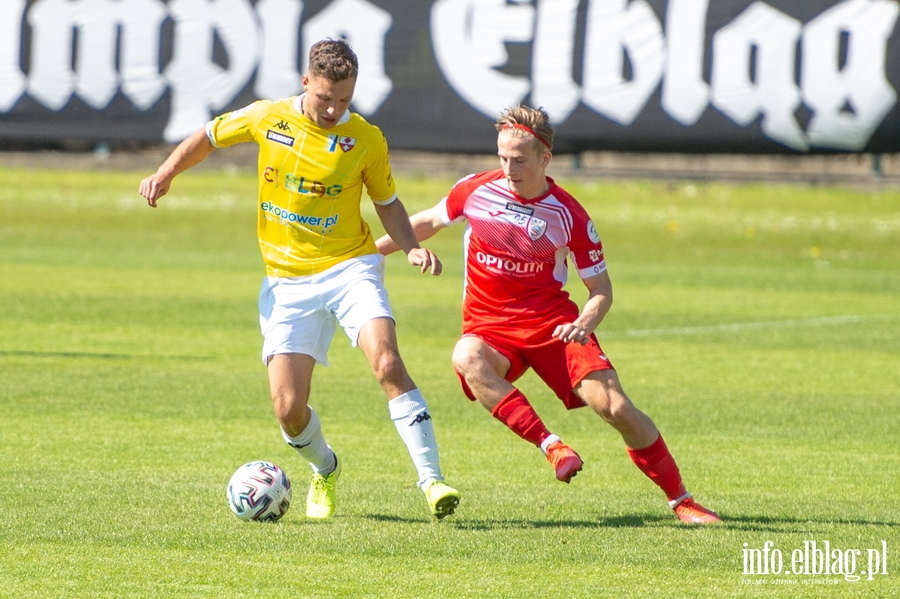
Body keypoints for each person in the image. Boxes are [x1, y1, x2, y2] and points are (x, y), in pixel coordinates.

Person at [138, 39, 459, 520]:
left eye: (345, 100)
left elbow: (388, 203)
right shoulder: (268, 117)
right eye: (325, 97)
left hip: (351, 266)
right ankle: (325, 467)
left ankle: (432, 481)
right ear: (306, 81)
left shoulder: (366, 140)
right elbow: (208, 136)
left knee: (388, 362)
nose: (334, 109)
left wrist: (411, 247)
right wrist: (166, 172)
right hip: (286, 281)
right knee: (289, 409)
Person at [376, 105, 718, 523]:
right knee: (467, 358)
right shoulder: (476, 190)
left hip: (554, 326)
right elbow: (428, 220)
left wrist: (583, 325)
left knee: (614, 407)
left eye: (519, 160)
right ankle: (552, 446)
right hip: (490, 328)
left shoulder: (569, 215)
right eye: (502, 158)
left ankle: (681, 500)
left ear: (545, 159)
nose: (508, 168)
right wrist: (368, 252)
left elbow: (601, 290)